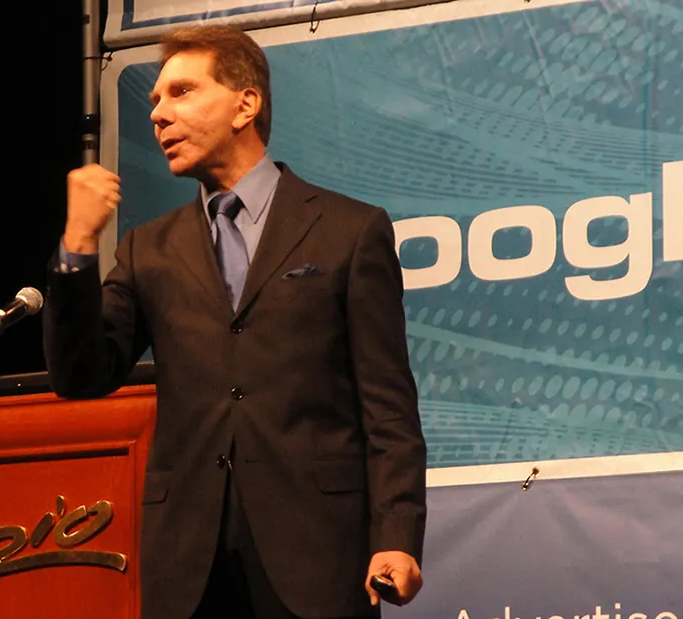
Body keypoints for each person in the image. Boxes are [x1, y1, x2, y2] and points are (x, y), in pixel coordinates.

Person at [42, 24, 426, 619]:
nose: (159, 115)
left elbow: (389, 409)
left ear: (245, 104)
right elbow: (82, 374)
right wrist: (77, 245)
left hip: (318, 558)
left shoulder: (349, 231)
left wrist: (397, 534)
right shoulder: (149, 249)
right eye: (154, 102)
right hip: (189, 567)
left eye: (182, 92)